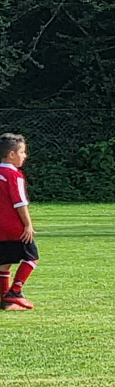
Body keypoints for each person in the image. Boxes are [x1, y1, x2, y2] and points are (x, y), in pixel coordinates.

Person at [0, 133, 37, 311]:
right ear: (11, 154)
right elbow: (20, 202)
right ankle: (15, 292)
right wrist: (28, 225)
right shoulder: (14, 175)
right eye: (22, 152)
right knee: (32, 258)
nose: (25, 156)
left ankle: (6, 302)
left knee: (5, 262)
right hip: (14, 226)